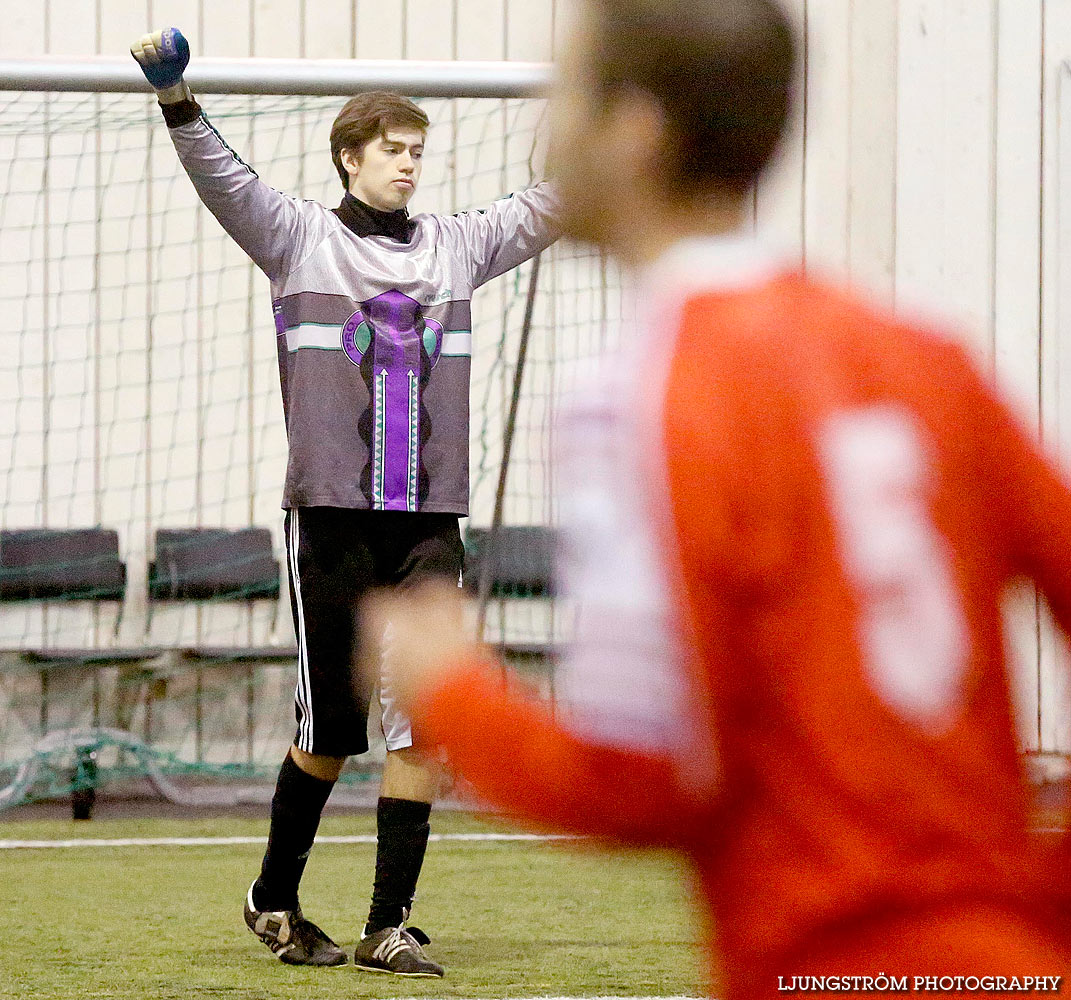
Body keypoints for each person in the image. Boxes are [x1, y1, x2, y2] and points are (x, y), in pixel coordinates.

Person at [364, 0, 1071, 994]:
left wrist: (457, 693)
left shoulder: (637, 393)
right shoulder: (926, 356)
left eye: (567, 92)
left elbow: (641, 783)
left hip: (818, 963)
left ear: (635, 132)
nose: (548, 128)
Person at [130, 27, 558, 976]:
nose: (410, 164)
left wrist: (614, 116)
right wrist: (177, 99)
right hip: (329, 518)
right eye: (393, 150)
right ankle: (272, 897)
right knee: (330, 732)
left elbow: (543, 209)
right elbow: (227, 185)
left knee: (428, 724)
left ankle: (386, 926)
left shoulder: (456, 246)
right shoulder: (299, 238)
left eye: (418, 151)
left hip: (428, 524)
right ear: (348, 159)